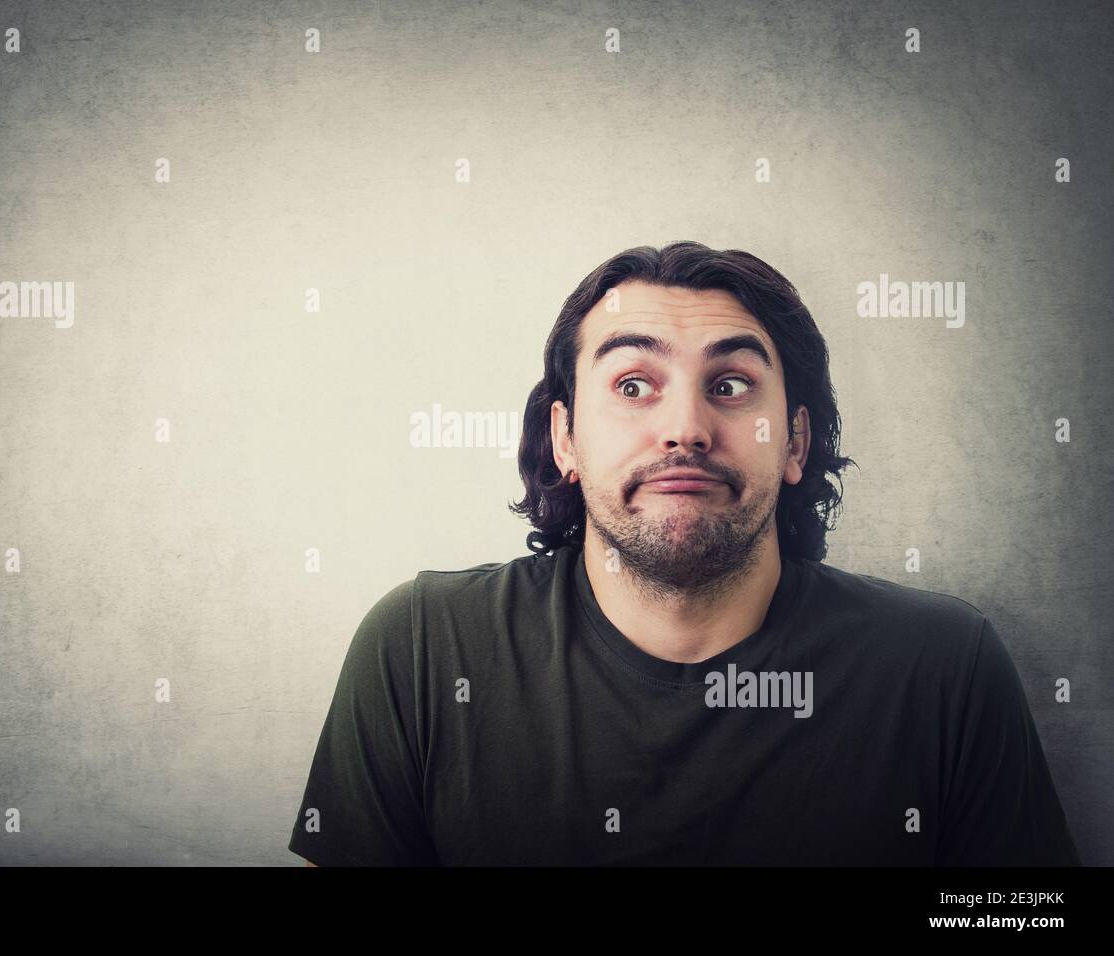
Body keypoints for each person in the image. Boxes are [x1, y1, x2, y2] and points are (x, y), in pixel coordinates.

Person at [288, 241, 1081, 866]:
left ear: (796, 440)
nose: (686, 429)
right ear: (566, 437)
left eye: (730, 385)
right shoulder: (424, 647)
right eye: (634, 385)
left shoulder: (943, 664)